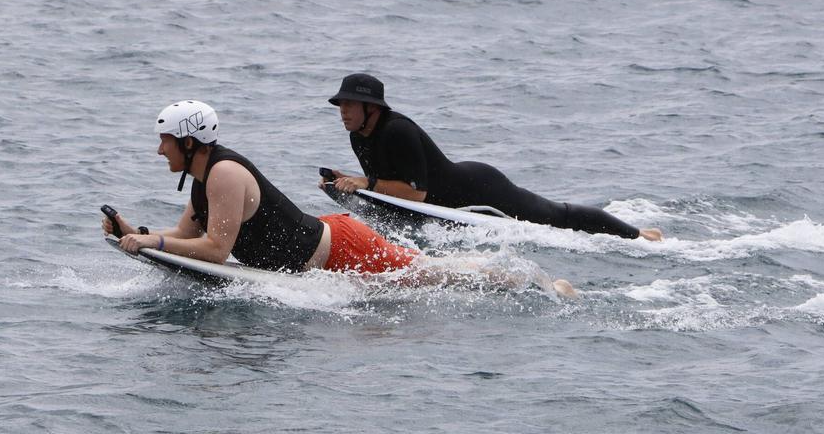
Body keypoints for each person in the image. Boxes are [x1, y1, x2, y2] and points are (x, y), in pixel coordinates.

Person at [103, 99, 576, 295]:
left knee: (435, 278)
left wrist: (153, 246)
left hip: (343, 250)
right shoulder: (207, 179)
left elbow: (215, 250)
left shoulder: (224, 173)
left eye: (164, 140)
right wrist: (139, 233)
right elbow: (186, 233)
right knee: (427, 274)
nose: (158, 149)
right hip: (327, 245)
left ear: (188, 141)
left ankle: (533, 282)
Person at [322, 72, 663, 241]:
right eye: (342, 104)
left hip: (480, 189)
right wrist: (345, 181)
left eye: (350, 104)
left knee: (555, 216)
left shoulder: (399, 130)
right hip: (448, 195)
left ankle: (638, 235)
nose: (343, 110)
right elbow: (387, 180)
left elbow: (416, 193)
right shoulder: (360, 136)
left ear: (372, 108)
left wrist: (366, 183)